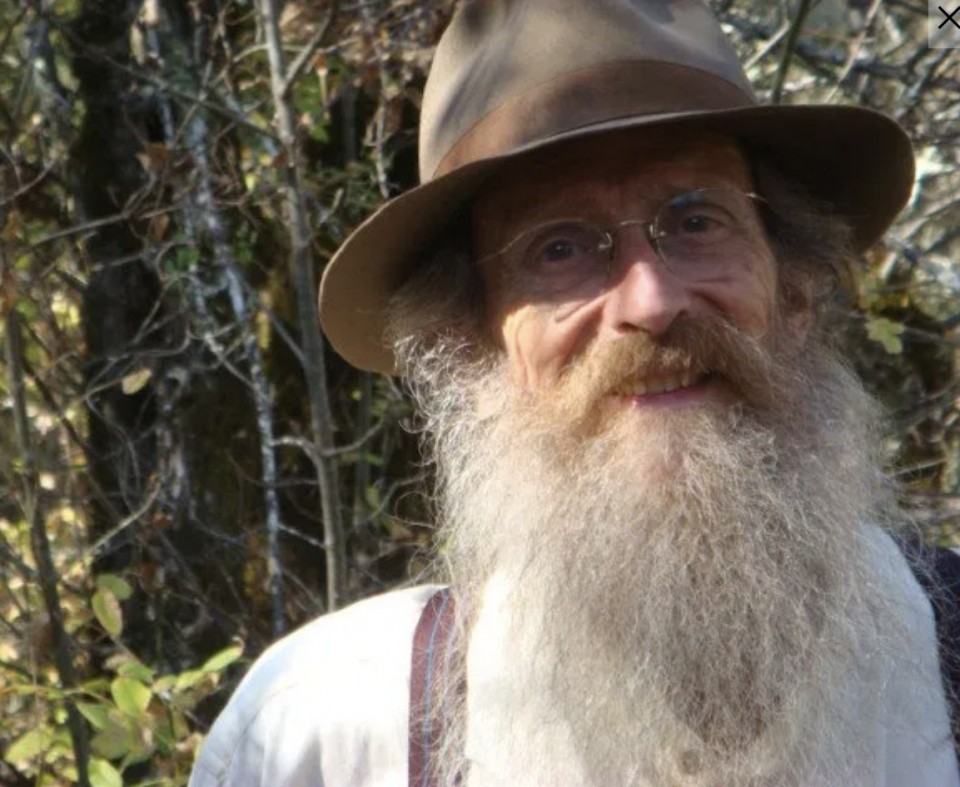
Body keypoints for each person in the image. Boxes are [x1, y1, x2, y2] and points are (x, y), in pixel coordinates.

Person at [188, 1, 960, 785]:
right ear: (473, 348)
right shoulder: (326, 734)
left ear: (794, 294)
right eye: (558, 248)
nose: (650, 302)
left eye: (697, 222)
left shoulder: (945, 659)